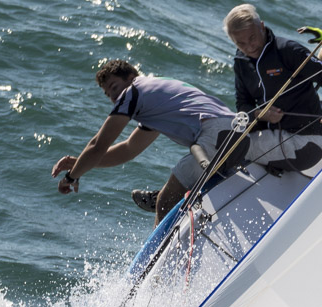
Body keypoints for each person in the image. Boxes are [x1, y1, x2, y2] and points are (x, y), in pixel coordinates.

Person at [51, 60, 232, 222]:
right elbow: (128, 149)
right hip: (237, 130)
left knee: (164, 202)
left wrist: (70, 177)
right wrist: (81, 163)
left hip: (214, 135)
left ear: (131, 77)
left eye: (114, 87)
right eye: (108, 94)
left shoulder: (133, 91)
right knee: (182, 191)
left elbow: (98, 145)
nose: (114, 97)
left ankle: (160, 250)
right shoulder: (156, 95)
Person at [225, 4, 322, 173]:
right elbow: (243, 105)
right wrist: (259, 114)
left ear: (262, 27)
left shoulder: (287, 50)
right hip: (273, 135)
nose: (249, 47)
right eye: (241, 43)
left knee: (232, 148)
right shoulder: (241, 62)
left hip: (307, 140)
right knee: (221, 135)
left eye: (252, 38)